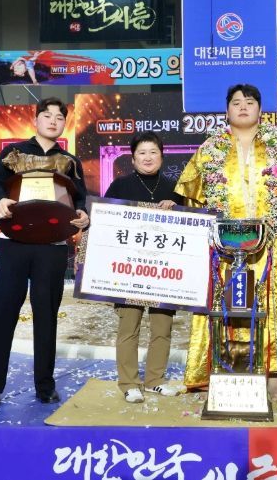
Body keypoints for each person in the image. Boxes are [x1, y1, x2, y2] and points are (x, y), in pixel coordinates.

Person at [175, 84, 277, 400]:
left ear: (260, 110)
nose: (242, 107)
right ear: (226, 111)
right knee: (223, 304)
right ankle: (220, 372)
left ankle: (273, 374)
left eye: (249, 102)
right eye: (236, 102)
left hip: (273, 241)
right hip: (222, 246)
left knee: (274, 304)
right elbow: (193, 200)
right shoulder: (209, 150)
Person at [0, 97, 89, 407]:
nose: (53, 121)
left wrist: (83, 216)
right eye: (47, 115)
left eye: (59, 117)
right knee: (3, 315)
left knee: (46, 318)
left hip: (52, 248)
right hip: (13, 243)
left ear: (64, 123)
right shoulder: (13, 154)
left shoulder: (69, 161)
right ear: (36, 119)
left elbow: (79, 200)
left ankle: (45, 386)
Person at [102, 131, 184, 403]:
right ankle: (128, 383)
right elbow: (105, 222)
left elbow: (189, 228)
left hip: (164, 270)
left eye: (153, 152)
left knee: (162, 327)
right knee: (129, 327)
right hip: (130, 270)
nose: (148, 158)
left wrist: (177, 207)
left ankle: (155, 380)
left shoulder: (175, 188)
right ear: (133, 158)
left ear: (162, 156)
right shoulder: (120, 186)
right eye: (142, 153)